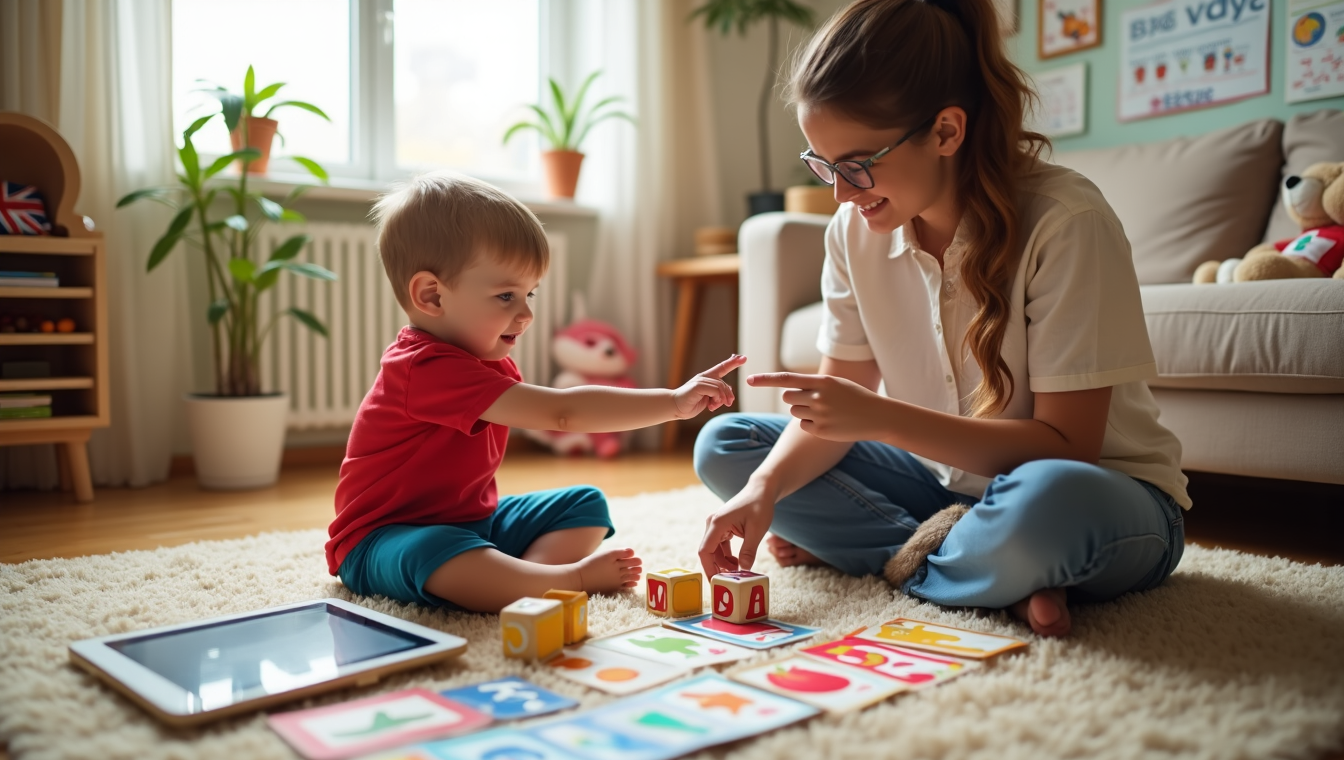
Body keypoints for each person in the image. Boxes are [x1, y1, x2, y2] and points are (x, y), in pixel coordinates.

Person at [695, 0, 1188, 637]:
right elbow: (832, 415)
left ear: (947, 133)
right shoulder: (853, 231)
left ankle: (930, 563)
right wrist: (763, 491)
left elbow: (1070, 448)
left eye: (857, 164)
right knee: (729, 448)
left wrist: (876, 416)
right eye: (823, 165)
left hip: (1098, 494)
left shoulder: (1067, 223)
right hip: (948, 493)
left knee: (1043, 506)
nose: (841, 194)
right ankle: (991, 575)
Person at [328, 172, 743, 613]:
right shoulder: (423, 368)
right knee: (430, 549)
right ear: (432, 296)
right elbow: (564, 412)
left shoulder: (487, 358)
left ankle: (519, 584)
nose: (525, 313)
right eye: (506, 296)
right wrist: (673, 403)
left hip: (472, 523)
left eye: (529, 293)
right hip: (380, 539)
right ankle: (562, 580)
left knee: (584, 503)